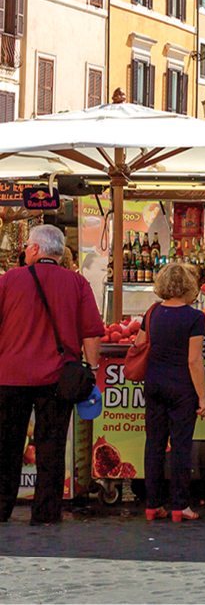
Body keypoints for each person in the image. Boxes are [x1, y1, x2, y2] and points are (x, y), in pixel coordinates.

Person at [0, 225, 104, 525]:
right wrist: (92, 370)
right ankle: (46, 512)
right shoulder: (77, 283)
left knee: (7, 445)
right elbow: (92, 332)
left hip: (10, 377)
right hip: (58, 379)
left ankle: (2, 506)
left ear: (34, 249)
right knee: (52, 446)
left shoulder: (9, 280)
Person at [135, 262, 205, 522]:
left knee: (153, 444)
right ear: (189, 286)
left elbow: (139, 344)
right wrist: (202, 396)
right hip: (182, 389)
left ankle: (153, 505)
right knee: (180, 446)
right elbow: (194, 360)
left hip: (154, 385)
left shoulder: (152, 313)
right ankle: (180, 506)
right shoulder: (195, 317)